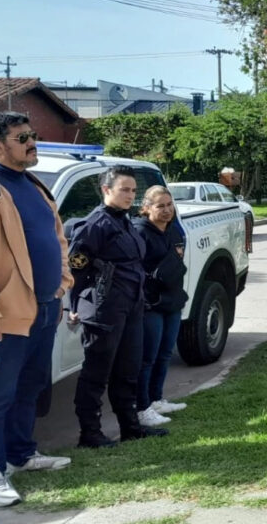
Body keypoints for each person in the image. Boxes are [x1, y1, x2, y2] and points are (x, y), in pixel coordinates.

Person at [0, 112, 74, 507]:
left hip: (45, 307)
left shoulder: (34, 185)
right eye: (23, 137)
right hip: (5, 313)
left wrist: (63, 282)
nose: (32, 142)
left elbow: (58, 238)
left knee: (31, 387)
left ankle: (21, 455)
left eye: (33, 135)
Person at [68, 165, 168, 448]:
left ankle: (130, 427)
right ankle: (90, 433)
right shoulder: (95, 225)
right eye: (124, 189)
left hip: (131, 304)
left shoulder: (124, 221)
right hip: (104, 309)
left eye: (134, 190)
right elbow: (76, 268)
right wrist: (74, 305)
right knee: (96, 373)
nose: (130, 195)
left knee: (128, 369)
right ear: (106, 190)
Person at [133, 186, 189, 427]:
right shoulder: (139, 233)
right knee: (148, 356)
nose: (167, 211)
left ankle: (156, 399)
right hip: (151, 305)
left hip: (172, 301)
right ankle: (142, 406)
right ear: (146, 209)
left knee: (165, 353)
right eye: (160, 206)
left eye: (169, 205)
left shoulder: (173, 231)